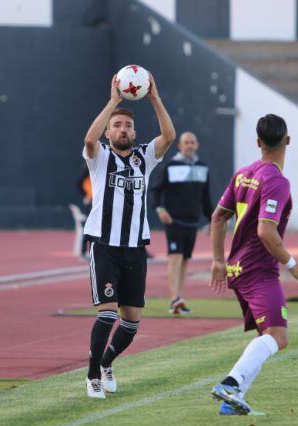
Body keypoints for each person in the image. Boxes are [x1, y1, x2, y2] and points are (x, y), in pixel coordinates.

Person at [209, 114, 298, 415]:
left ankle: (233, 402)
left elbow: (218, 217)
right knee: (278, 337)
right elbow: (265, 230)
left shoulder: (243, 173)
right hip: (259, 270)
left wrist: (219, 260)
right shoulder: (276, 181)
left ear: (258, 142)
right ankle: (231, 384)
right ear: (288, 140)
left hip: (238, 269)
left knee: (265, 336)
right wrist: (293, 264)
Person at [82, 72, 175, 399]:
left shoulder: (144, 157)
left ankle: (107, 362)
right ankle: (92, 375)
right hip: (104, 246)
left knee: (132, 322)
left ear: (134, 132)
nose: (123, 129)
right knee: (107, 314)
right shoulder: (100, 158)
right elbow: (89, 140)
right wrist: (113, 103)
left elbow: (169, 135)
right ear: (109, 131)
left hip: (136, 248)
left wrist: (153, 97)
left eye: (127, 126)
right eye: (117, 125)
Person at [151, 131, 213, 315]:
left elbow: (206, 198)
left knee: (185, 259)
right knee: (175, 257)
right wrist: (160, 209)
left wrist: (211, 219)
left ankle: (179, 297)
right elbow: (155, 190)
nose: (189, 146)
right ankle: (173, 299)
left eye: (192, 142)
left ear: (197, 145)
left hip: (192, 222)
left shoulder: (203, 168)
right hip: (174, 220)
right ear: (179, 146)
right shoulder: (170, 165)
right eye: (186, 142)